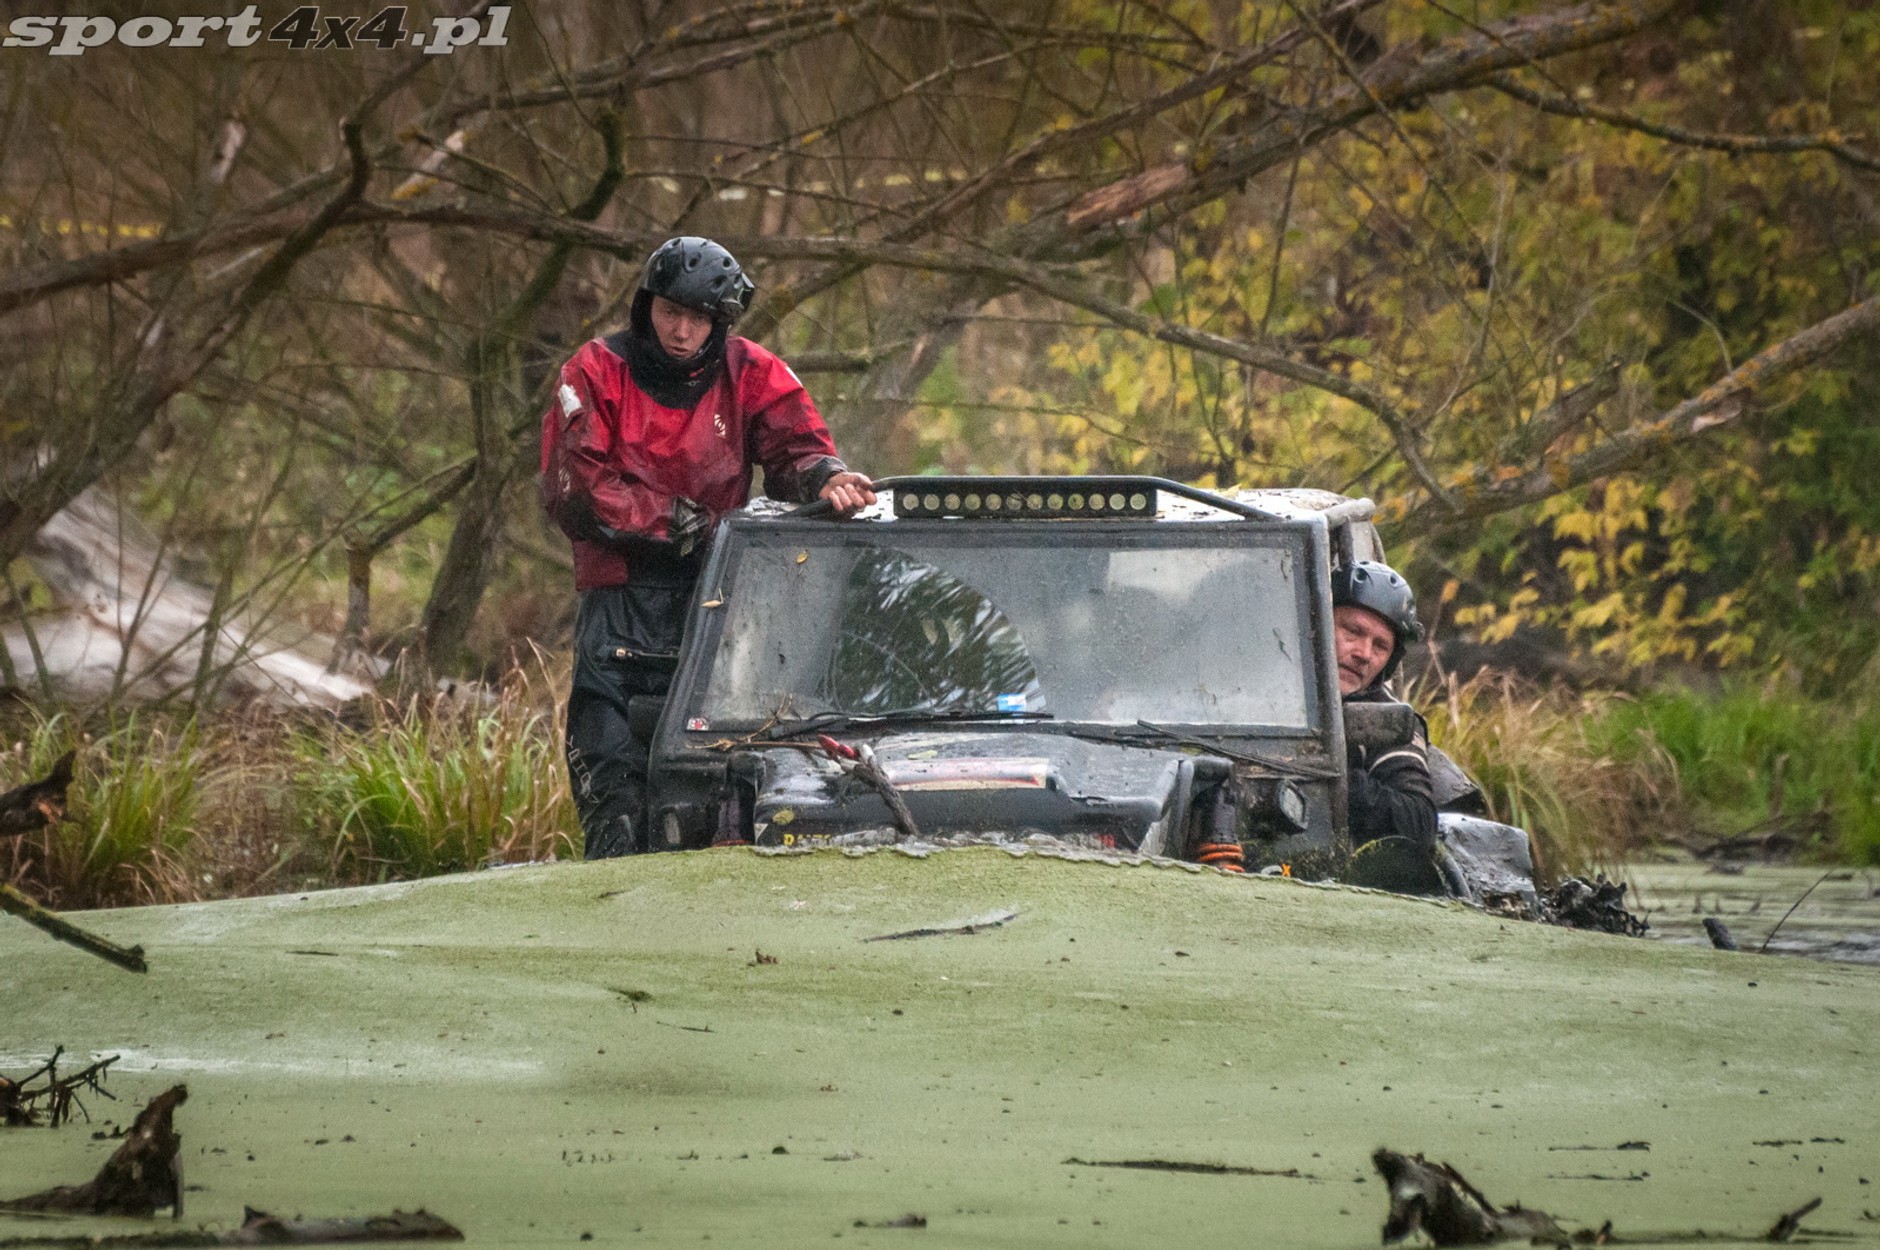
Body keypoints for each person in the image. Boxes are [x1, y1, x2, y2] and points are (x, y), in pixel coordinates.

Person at [541, 236, 875, 859]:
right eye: (671, 312)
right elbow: (575, 488)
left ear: (718, 322)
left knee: (713, 790)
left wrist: (826, 477)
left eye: (698, 319)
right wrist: (672, 523)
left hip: (719, 602)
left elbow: (794, 443)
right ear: (648, 306)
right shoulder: (594, 369)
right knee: (614, 794)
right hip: (621, 603)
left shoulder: (751, 370)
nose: (681, 330)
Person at [1331, 560, 1436, 851]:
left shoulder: (1386, 715)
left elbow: (1419, 822)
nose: (1364, 654)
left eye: (1380, 646)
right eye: (1352, 631)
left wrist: (1334, 777)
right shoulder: (1263, 688)